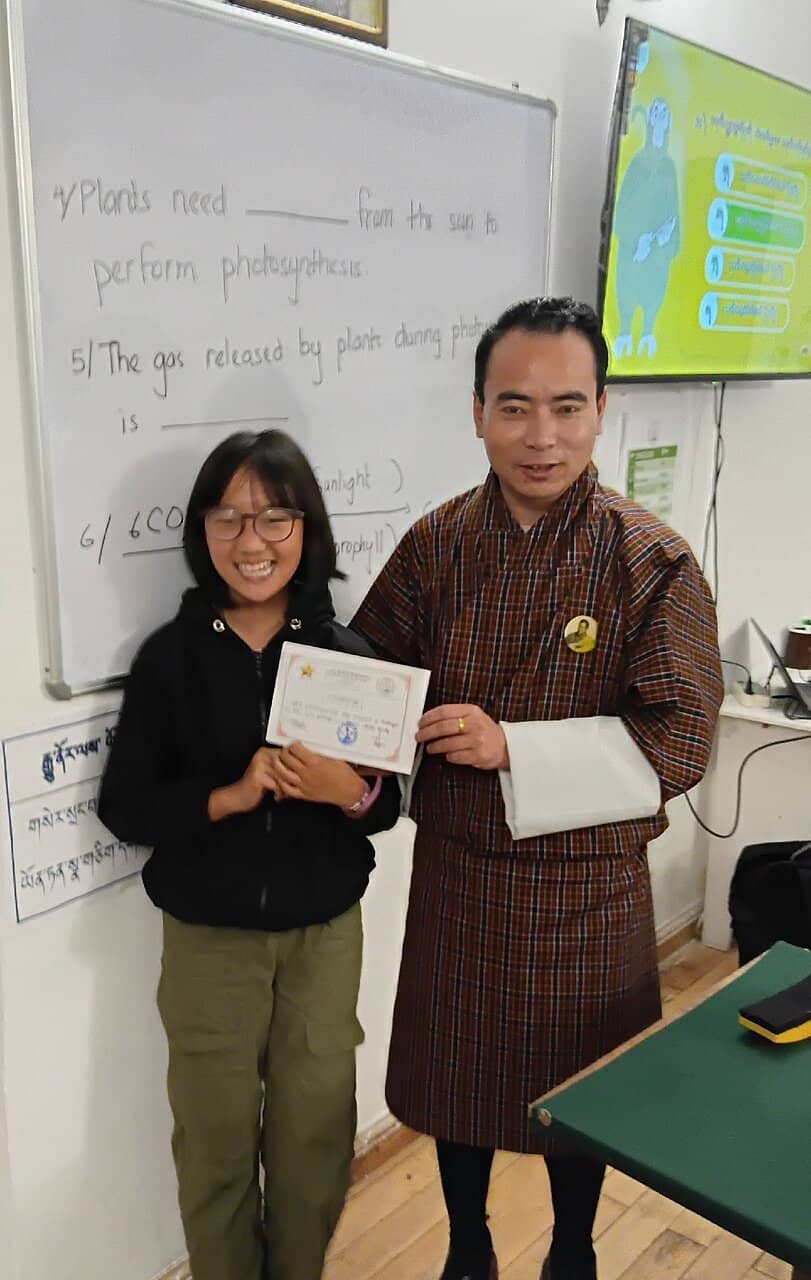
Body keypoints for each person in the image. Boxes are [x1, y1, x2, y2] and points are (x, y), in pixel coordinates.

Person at [350, 297, 723, 1280]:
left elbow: (681, 736)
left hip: (585, 886)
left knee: (581, 1088)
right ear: (477, 412)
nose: (540, 435)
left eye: (566, 406)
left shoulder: (649, 558)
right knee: (454, 1082)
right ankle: (467, 1241)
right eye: (514, 407)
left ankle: (571, 1246)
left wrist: (510, 746)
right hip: (460, 872)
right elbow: (372, 675)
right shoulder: (434, 543)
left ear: (601, 409)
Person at [98, 429, 400, 1280]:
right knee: (215, 1147)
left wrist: (346, 791)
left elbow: (385, 807)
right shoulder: (168, 659)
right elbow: (124, 806)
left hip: (321, 940)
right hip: (208, 943)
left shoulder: (348, 657)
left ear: (306, 529)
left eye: (274, 517)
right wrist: (226, 797)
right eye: (227, 518)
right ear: (202, 530)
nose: (251, 540)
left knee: (314, 1142)